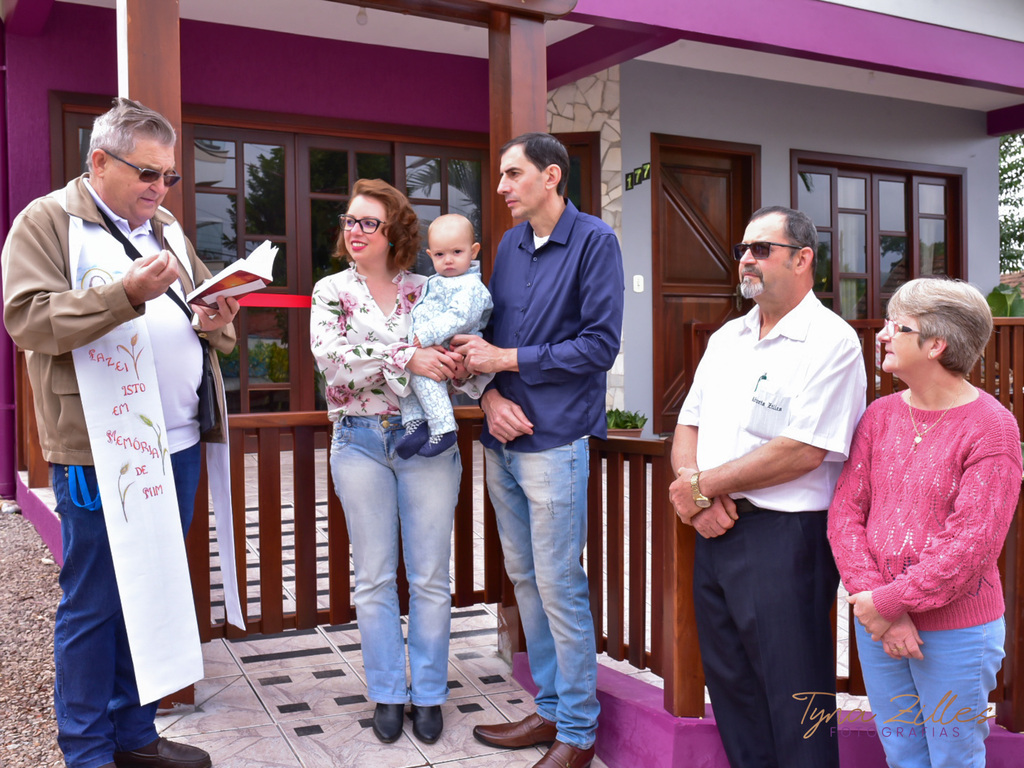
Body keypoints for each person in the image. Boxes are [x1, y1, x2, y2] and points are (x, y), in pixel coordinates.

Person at [1, 98, 238, 768]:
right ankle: (86, 751)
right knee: (97, 601)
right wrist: (124, 293)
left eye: (168, 177)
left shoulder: (163, 226)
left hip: (181, 440)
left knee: (155, 588)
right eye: (146, 174)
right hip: (100, 448)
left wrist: (217, 315)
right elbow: (27, 320)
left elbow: (201, 326)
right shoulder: (46, 221)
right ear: (99, 161)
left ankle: (134, 736)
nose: (159, 190)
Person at [668, 206, 866, 768]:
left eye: (761, 249)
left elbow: (804, 450)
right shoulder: (729, 336)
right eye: (742, 250)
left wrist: (702, 486)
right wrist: (696, 493)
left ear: (804, 259)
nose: (746, 260)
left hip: (786, 538)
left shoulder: (831, 341)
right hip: (717, 528)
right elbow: (689, 422)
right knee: (733, 687)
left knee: (796, 692)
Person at [452, 132, 624, 768]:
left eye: (511, 174)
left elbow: (601, 347)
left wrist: (509, 359)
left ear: (551, 177)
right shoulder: (510, 243)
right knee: (525, 579)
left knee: (558, 584)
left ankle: (578, 731)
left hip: (557, 441)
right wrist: (491, 394)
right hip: (503, 439)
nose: (500, 187)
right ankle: (550, 709)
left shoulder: (596, 242)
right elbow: (495, 334)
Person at [829, 278, 1021, 768]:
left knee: (953, 758)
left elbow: (972, 546)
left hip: (957, 632)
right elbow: (845, 515)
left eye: (899, 325)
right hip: (879, 621)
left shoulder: (993, 427)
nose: (883, 334)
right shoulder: (879, 415)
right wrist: (880, 607)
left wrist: (888, 604)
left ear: (936, 345)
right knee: (903, 754)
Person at [309, 179, 462, 746]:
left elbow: (454, 355)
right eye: (349, 221)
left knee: (429, 576)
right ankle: (387, 694)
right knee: (373, 577)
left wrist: (443, 362)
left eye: (367, 222)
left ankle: (427, 694)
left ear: (394, 230)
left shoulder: (429, 289)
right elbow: (333, 362)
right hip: (359, 442)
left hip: (428, 443)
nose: (354, 231)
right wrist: (409, 358)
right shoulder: (330, 291)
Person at [396, 213, 492, 458]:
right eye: (440, 255)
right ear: (430, 255)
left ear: (474, 251)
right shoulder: (435, 281)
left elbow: (462, 317)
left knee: (426, 379)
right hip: (429, 346)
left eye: (457, 252)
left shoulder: (470, 286)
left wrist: (426, 334)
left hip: (451, 347)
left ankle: (443, 427)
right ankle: (415, 423)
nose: (448, 260)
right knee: (406, 375)